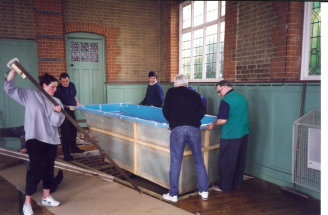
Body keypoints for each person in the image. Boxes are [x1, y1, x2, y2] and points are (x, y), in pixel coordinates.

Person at [4, 69, 65, 215]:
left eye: (56, 87)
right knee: (34, 169)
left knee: (48, 169)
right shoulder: (30, 95)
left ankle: (46, 197)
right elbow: (9, 88)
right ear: (44, 85)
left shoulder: (56, 102)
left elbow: (56, 123)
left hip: (51, 139)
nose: (55, 90)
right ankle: (27, 203)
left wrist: (57, 112)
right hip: (34, 138)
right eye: (52, 87)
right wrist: (13, 71)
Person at [162, 74, 209, 202]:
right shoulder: (194, 94)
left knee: (175, 162)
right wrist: (193, 121)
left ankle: (173, 194)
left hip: (177, 129)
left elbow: (165, 110)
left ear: (175, 84)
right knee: (199, 160)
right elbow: (201, 112)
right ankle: (204, 191)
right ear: (186, 84)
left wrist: (173, 122)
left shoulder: (171, 92)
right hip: (194, 129)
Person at [206, 80, 249, 193]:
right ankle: (237, 184)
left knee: (226, 162)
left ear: (224, 88)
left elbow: (222, 120)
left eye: (219, 92)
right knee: (239, 160)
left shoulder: (226, 101)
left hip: (230, 135)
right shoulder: (242, 98)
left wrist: (212, 124)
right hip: (243, 133)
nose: (219, 94)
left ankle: (224, 186)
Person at [0, 126, 64, 194]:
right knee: (30, 190)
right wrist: (25, 148)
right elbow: (6, 131)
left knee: (49, 189)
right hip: (32, 167)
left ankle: (59, 176)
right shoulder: (24, 129)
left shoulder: (46, 133)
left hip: (44, 164)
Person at [54, 73, 84, 162]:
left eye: (67, 81)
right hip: (63, 113)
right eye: (63, 82)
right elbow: (57, 102)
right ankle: (66, 154)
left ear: (69, 79)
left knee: (74, 130)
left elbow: (73, 96)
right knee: (65, 133)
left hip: (72, 111)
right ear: (60, 81)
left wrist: (77, 103)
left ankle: (74, 147)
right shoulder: (58, 89)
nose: (66, 83)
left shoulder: (72, 85)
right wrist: (66, 107)